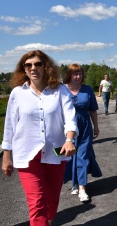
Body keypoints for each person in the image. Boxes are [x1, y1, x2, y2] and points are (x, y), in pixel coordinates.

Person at [1, 50, 78, 226]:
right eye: (28, 65)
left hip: (56, 151)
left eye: (37, 64)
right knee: (36, 202)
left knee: (51, 200)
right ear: (24, 69)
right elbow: (9, 126)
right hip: (26, 155)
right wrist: (6, 156)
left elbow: (70, 118)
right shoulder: (17, 93)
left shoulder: (60, 91)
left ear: (46, 67)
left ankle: (47, 220)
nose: (33, 68)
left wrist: (69, 139)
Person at [63, 63, 102, 202]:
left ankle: (82, 188)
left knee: (83, 156)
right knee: (70, 156)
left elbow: (93, 109)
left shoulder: (87, 89)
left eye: (80, 73)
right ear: (69, 75)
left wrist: (96, 126)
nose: (78, 76)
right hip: (66, 128)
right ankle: (74, 182)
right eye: (75, 74)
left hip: (84, 126)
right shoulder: (61, 89)